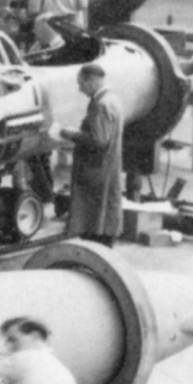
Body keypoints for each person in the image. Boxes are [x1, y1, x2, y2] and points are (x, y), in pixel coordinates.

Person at [55, 63, 122, 246]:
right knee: (101, 224)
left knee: (94, 229)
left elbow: (99, 141)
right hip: (104, 171)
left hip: (96, 174)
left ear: (91, 80)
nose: (80, 89)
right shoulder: (111, 100)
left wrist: (71, 133)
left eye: (81, 84)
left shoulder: (101, 105)